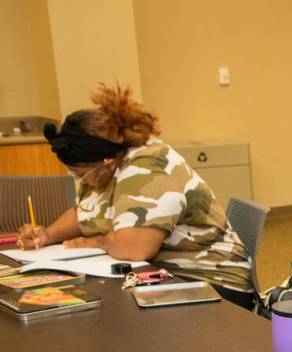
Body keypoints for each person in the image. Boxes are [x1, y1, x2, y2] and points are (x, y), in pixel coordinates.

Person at [17, 84, 255, 309]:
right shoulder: (103, 167)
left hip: (211, 283)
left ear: (107, 163)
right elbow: (83, 213)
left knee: (111, 320)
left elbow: (135, 248)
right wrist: (47, 235)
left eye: (80, 174)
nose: (79, 180)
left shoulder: (148, 166)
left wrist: (94, 241)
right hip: (161, 274)